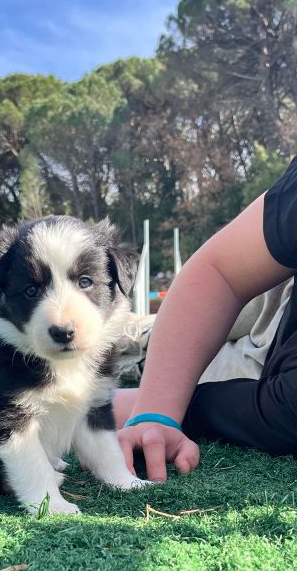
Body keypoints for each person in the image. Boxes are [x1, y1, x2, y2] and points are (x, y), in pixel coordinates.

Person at [114, 157, 297, 482]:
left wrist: (148, 409)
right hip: (277, 288)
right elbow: (220, 273)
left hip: (263, 364)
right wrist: (156, 409)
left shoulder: (285, 407)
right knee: (164, 339)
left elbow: (266, 413)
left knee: (176, 363)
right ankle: (125, 333)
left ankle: (133, 341)